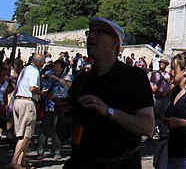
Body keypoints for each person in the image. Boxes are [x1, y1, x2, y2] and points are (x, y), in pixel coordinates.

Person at [60, 17, 155, 169]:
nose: (91, 36)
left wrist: (107, 111)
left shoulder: (134, 77)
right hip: (81, 162)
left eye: (99, 33)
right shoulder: (81, 80)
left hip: (119, 164)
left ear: (115, 42)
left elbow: (148, 127)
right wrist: (63, 116)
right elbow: (63, 134)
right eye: (90, 32)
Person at [10, 53, 45, 169]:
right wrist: (41, 92)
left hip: (18, 101)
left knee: (23, 133)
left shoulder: (25, 69)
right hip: (27, 102)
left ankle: (22, 160)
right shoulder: (34, 72)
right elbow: (32, 88)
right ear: (41, 63)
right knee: (26, 134)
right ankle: (15, 161)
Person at [38, 58, 72, 160]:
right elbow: (42, 85)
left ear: (62, 67)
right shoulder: (48, 75)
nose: (55, 67)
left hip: (59, 107)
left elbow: (68, 84)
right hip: (48, 106)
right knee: (44, 130)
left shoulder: (65, 76)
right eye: (55, 65)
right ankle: (40, 151)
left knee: (56, 130)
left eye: (58, 65)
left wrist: (56, 78)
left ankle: (56, 151)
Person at [150, 57, 172, 139]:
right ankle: (152, 133)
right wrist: (157, 92)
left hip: (166, 97)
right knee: (155, 115)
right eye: (160, 63)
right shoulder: (155, 74)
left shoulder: (168, 75)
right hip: (157, 97)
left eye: (163, 63)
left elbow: (171, 85)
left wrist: (166, 92)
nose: (161, 64)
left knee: (164, 116)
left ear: (166, 65)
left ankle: (163, 133)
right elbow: (151, 84)